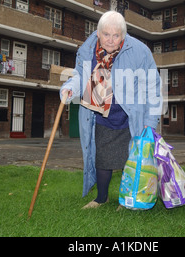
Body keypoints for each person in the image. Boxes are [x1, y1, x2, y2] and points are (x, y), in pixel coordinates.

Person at [60, 11, 162, 209]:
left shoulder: (140, 51)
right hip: (100, 113)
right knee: (102, 158)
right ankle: (101, 198)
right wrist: (70, 87)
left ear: (123, 35)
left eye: (116, 36)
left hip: (131, 116)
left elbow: (153, 87)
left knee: (132, 160)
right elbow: (80, 75)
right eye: (106, 34)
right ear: (98, 33)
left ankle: (127, 200)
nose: (111, 40)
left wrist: (150, 122)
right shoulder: (87, 49)